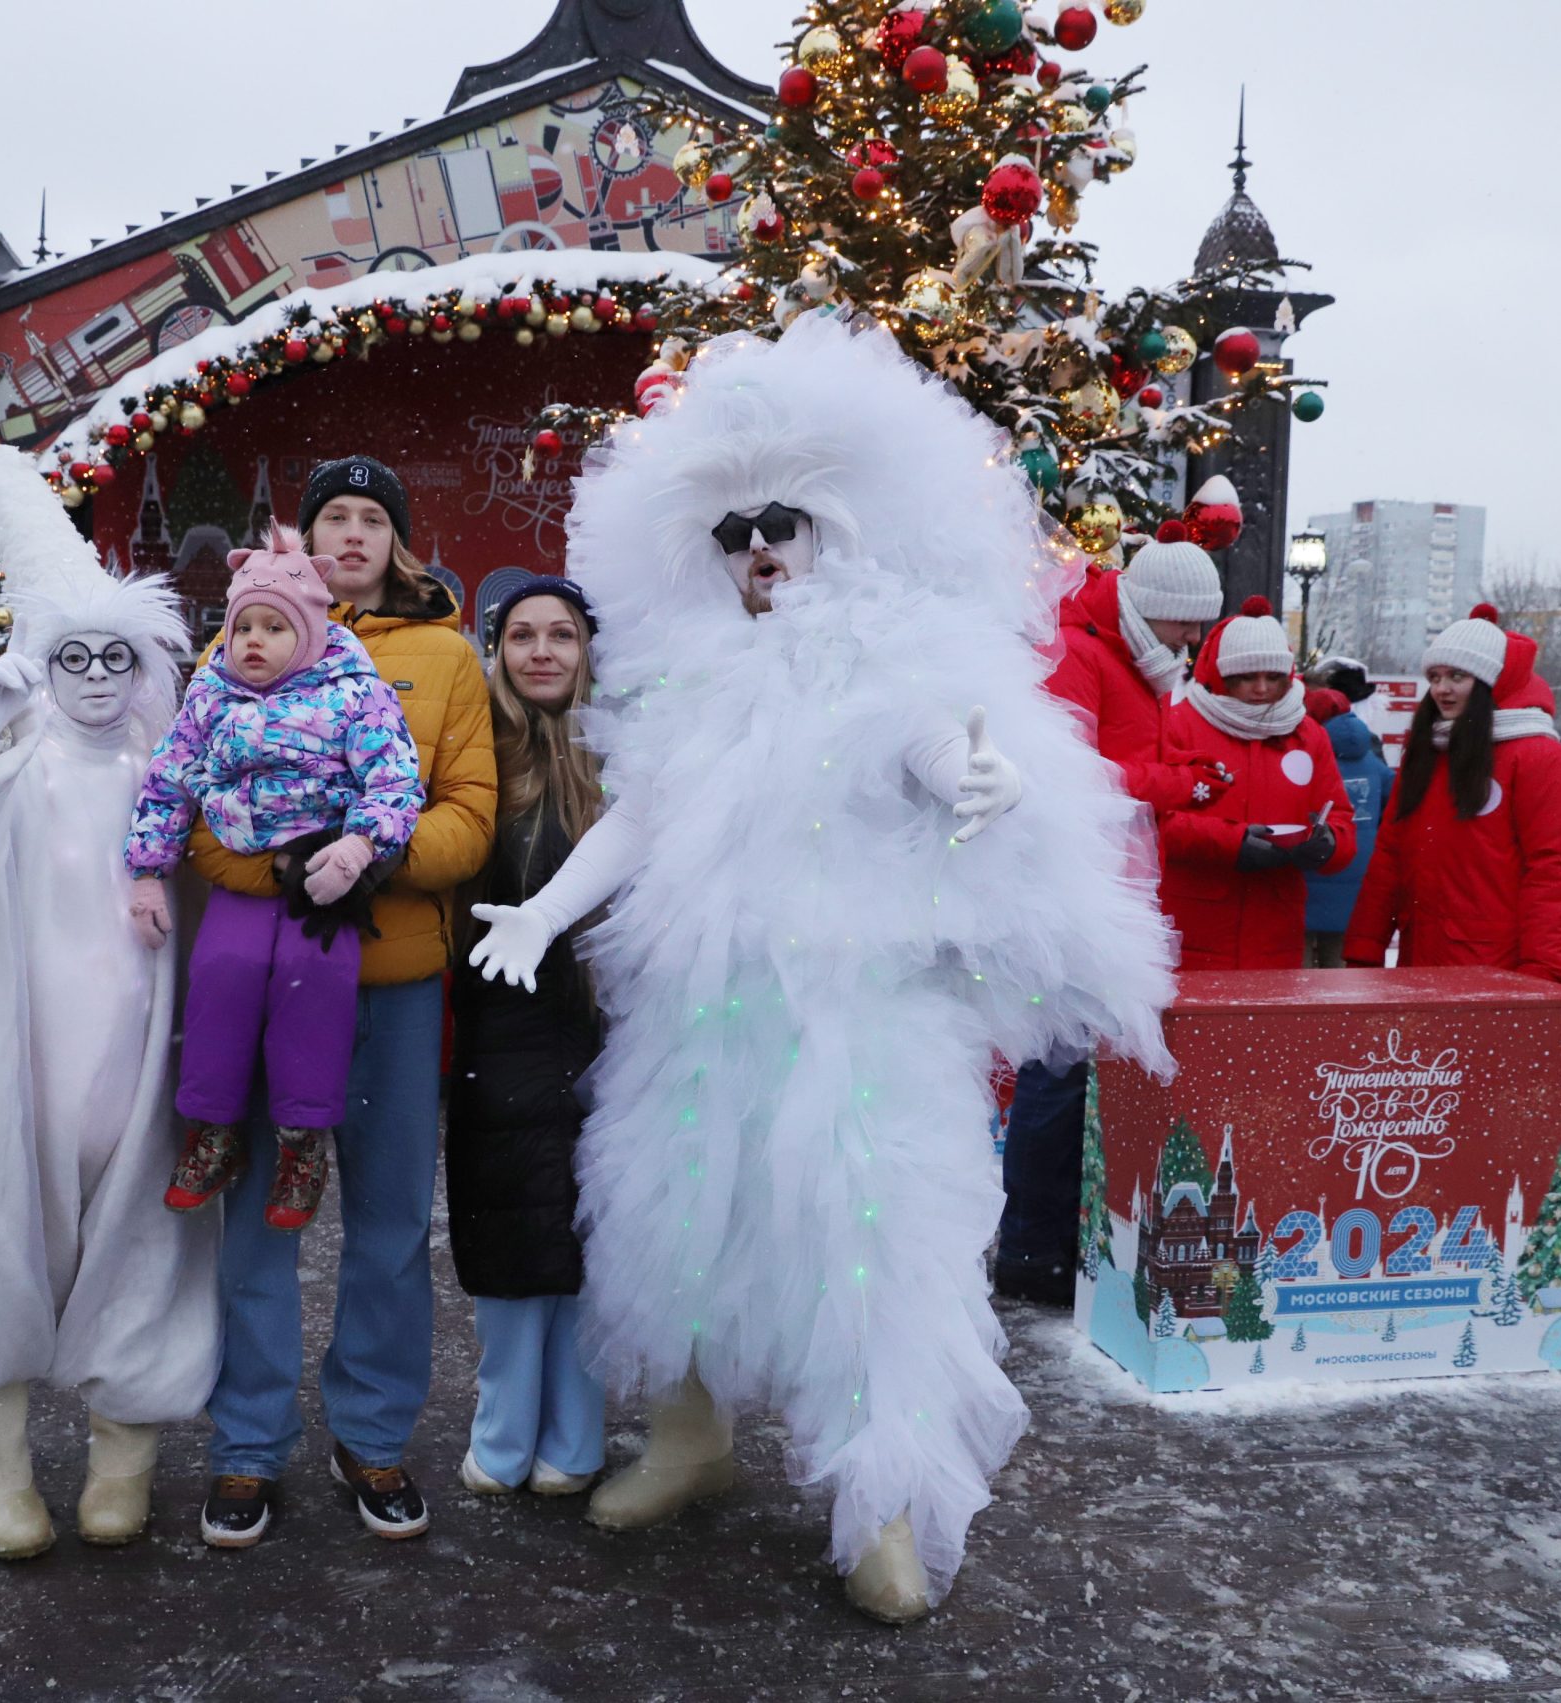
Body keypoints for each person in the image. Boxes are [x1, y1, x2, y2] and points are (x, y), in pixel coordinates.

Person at [468, 319, 1177, 1623]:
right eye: (732, 531)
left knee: (870, 1248)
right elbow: (644, 813)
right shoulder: (690, 668)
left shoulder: (896, 649)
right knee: (678, 1220)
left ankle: (886, 1502)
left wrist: (981, 782)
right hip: (701, 1008)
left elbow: (940, 750)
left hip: (858, 1012)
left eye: (779, 522)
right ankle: (690, 1435)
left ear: (832, 524)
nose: (757, 550)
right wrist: (546, 909)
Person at [0, 446, 219, 1560]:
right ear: (36, 656)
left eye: (120, 653)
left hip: (136, 1049)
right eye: (76, 653)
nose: (99, 674)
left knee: (147, 1238)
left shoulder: (170, 755)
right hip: (10, 1050)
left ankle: (126, 1452)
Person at [188, 454, 496, 1550]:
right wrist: (271, 865)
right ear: (303, 542)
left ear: (399, 541)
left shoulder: (448, 657)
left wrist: (385, 857)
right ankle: (246, 1442)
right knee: (258, 1224)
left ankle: (371, 1430)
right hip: (274, 986)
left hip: (394, 983)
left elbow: (470, 807)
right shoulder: (242, 643)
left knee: (387, 1225)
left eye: (373, 518)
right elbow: (195, 806)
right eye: (333, 518)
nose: (352, 535)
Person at [124, 531, 424, 1235]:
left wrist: (359, 845)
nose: (255, 641)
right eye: (244, 627)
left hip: (321, 876)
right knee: (223, 974)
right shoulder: (210, 694)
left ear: (312, 632)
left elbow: (396, 779)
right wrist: (146, 873)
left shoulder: (356, 693)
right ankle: (213, 1127)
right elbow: (167, 782)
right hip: (241, 869)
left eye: (276, 627)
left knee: (310, 979)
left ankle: (300, 1140)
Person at [995, 537, 1229, 1306]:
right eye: (1182, 626)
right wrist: (1176, 785)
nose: (1190, 643)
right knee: (1058, 1069)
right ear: (1147, 611)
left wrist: (1183, 781)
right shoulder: (1086, 652)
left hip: (1113, 883)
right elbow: (1070, 772)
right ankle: (1033, 1247)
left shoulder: (1135, 658)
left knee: (1075, 1068)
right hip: (1076, 887)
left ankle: (1055, 1238)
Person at [447, 577, 608, 1501]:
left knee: (591, 1235)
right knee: (507, 1231)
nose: (541, 651)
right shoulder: (483, 752)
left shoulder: (620, 757)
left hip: (600, 1029)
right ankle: (504, 1436)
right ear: (498, 649)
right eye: (521, 636)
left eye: (561, 635)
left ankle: (576, 1440)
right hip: (500, 1025)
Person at [1344, 604, 1561, 983]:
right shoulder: (1428, 751)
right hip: (1420, 958)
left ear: (1491, 682)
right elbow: (1391, 855)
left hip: (1496, 968)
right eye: (1435, 676)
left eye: (1458, 676)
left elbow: (1556, 873)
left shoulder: (1543, 759)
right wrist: (1364, 947)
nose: (1442, 689)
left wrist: (1542, 975)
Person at [1156, 597, 1355, 971]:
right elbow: (1155, 820)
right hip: (1193, 929)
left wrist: (1328, 844)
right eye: (1246, 677)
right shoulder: (1179, 724)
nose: (1261, 689)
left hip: (1275, 933)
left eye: (1272, 677)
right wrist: (1233, 844)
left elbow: (1340, 817)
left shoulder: (1307, 735)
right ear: (1222, 675)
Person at [1303, 685, 1393, 967]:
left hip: (1313, 871)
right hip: (1358, 874)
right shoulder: (1372, 760)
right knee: (1339, 969)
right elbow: (1394, 800)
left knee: (1296, 970)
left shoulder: (1310, 756)